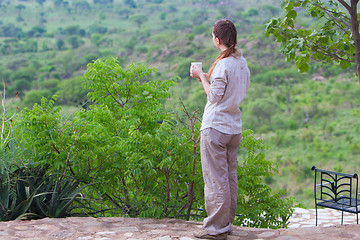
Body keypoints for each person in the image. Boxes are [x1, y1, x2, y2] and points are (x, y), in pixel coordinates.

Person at [190, 19, 250, 240]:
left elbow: (214, 97)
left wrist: (200, 75)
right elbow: (230, 91)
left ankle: (216, 229)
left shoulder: (223, 64)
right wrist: (207, 79)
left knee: (215, 179)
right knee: (229, 177)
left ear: (217, 40)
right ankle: (226, 223)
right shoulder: (241, 61)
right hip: (234, 127)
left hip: (215, 127)